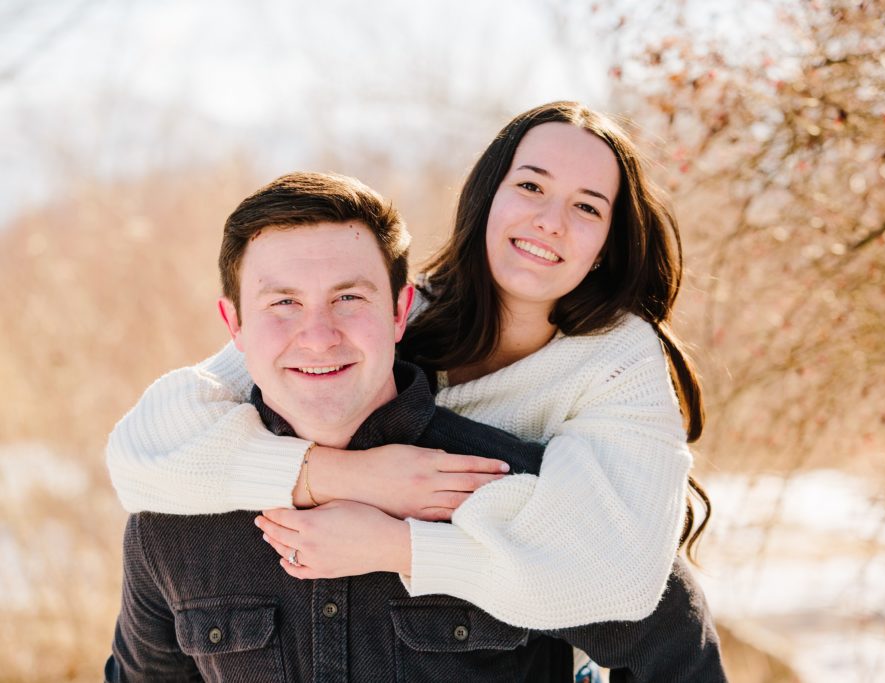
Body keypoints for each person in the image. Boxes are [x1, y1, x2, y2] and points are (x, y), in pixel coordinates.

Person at [107, 101, 708, 630]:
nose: (550, 220)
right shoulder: (387, 312)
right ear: (486, 197)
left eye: (587, 206)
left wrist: (399, 545)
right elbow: (144, 450)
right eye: (530, 187)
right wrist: (355, 477)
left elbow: (622, 577)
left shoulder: (619, 361)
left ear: (607, 243)